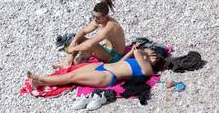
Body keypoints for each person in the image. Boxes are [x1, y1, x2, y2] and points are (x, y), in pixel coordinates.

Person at [29, 43, 170, 88]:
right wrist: (132, 53)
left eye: (152, 53)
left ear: (154, 59)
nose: (149, 52)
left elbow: (147, 74)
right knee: (75, 71)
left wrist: (140, 54)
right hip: (105, 67)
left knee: (72, 76)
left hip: (108, 76)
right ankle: (43, 79)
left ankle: (41, 80)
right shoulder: (139, 59)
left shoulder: (147, 67)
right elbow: (121, 63)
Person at [53, 0, 126, 69]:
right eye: (93, 16)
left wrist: (73, 49)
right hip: (106, 48)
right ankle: (68, 62)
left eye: (98, 17)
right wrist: (72, 43)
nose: (95, 19)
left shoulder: (110, 26)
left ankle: (70, 63)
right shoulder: (98, 21)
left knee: (88, 44)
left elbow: (91, 43)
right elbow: (83, 31)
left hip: (114, 56)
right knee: (79, 39)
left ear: (106, 16)